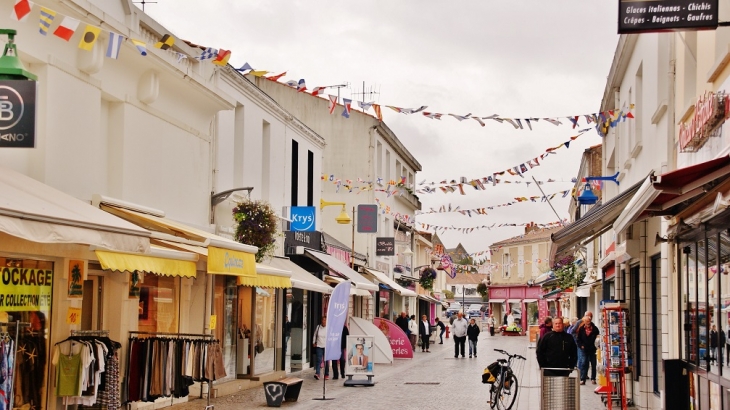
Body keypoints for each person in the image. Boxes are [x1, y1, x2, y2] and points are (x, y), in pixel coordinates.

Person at [576, 316, 599, 385]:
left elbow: (598, 337)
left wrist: (597, 345)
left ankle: (593, 378)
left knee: (593, 364)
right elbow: (578, 339)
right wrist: (581, 346)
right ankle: (583, 379)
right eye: (586, 321)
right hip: (585, 349)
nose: (588, 323)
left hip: (592, 349)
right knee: (584, 364)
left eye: (589, 321)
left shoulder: (594, 329)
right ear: (584, 322)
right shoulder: (581, 329)